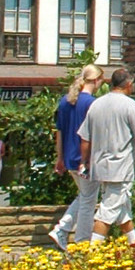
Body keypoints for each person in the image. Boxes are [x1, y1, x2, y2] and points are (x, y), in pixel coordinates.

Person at [79, 65, 135, 242]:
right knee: (106, 212)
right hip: (120, 167)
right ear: (128, 84)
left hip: (99, 166)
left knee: (122, 209)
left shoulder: (96, 104)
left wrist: (84, 161)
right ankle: (91, 254)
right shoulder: (129, 105)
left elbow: (85, 138)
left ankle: (134, 246)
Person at [50, 64, 103, 251]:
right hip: (86, 159)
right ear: (96, 80)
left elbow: (60, 131)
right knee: (88, 202)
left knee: (84, 196)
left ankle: (62, 229)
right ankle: (80, 243)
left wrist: (60, 157)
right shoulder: (92, 103)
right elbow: (93, 134)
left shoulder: (65, 101)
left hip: (70, 157)